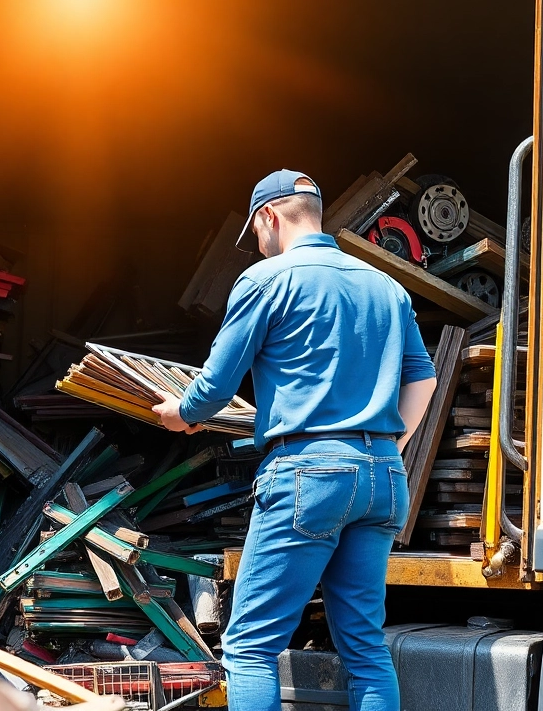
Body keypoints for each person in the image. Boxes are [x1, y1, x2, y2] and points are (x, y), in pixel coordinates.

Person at [152, 169, 437, 711]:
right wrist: (388, 447)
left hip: (307, 473)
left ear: (269, 217)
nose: (259, 246)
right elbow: (422, 378)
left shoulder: (266, 279)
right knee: (365, 647)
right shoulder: (387, 286)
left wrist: (182, 413)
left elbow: (215, 383)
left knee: (251, 646)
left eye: (257, 235)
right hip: (382, 476)